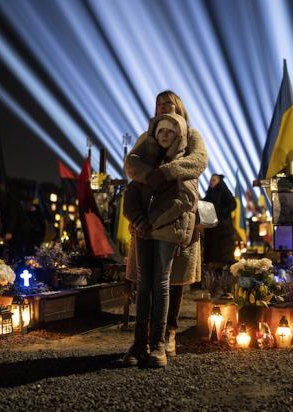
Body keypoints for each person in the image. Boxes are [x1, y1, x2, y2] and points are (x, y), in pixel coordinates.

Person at [124, 90, 208, 360]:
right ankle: (144, 340)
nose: (162, 107)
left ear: (179, 107)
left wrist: (167, 173)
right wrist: (149, 176)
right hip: (146, 219)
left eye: (168, 104)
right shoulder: (148, 138)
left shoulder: (192, 136)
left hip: (174, 218)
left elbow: (198, 162)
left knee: (172, 280)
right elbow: (132, 164)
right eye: (158, 104)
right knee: (146, 280)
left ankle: (167, 333)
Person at [203, 174, 237, 269]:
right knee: (213, 253)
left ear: (219, 181)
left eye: (214, 180)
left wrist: (222, 212)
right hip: (212, 228)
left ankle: (222, 275)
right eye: (211, 180)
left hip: (222, 228)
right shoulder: (210, 192)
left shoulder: (222, 189)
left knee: (222, 254)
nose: (211, 182)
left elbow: (233, 204)